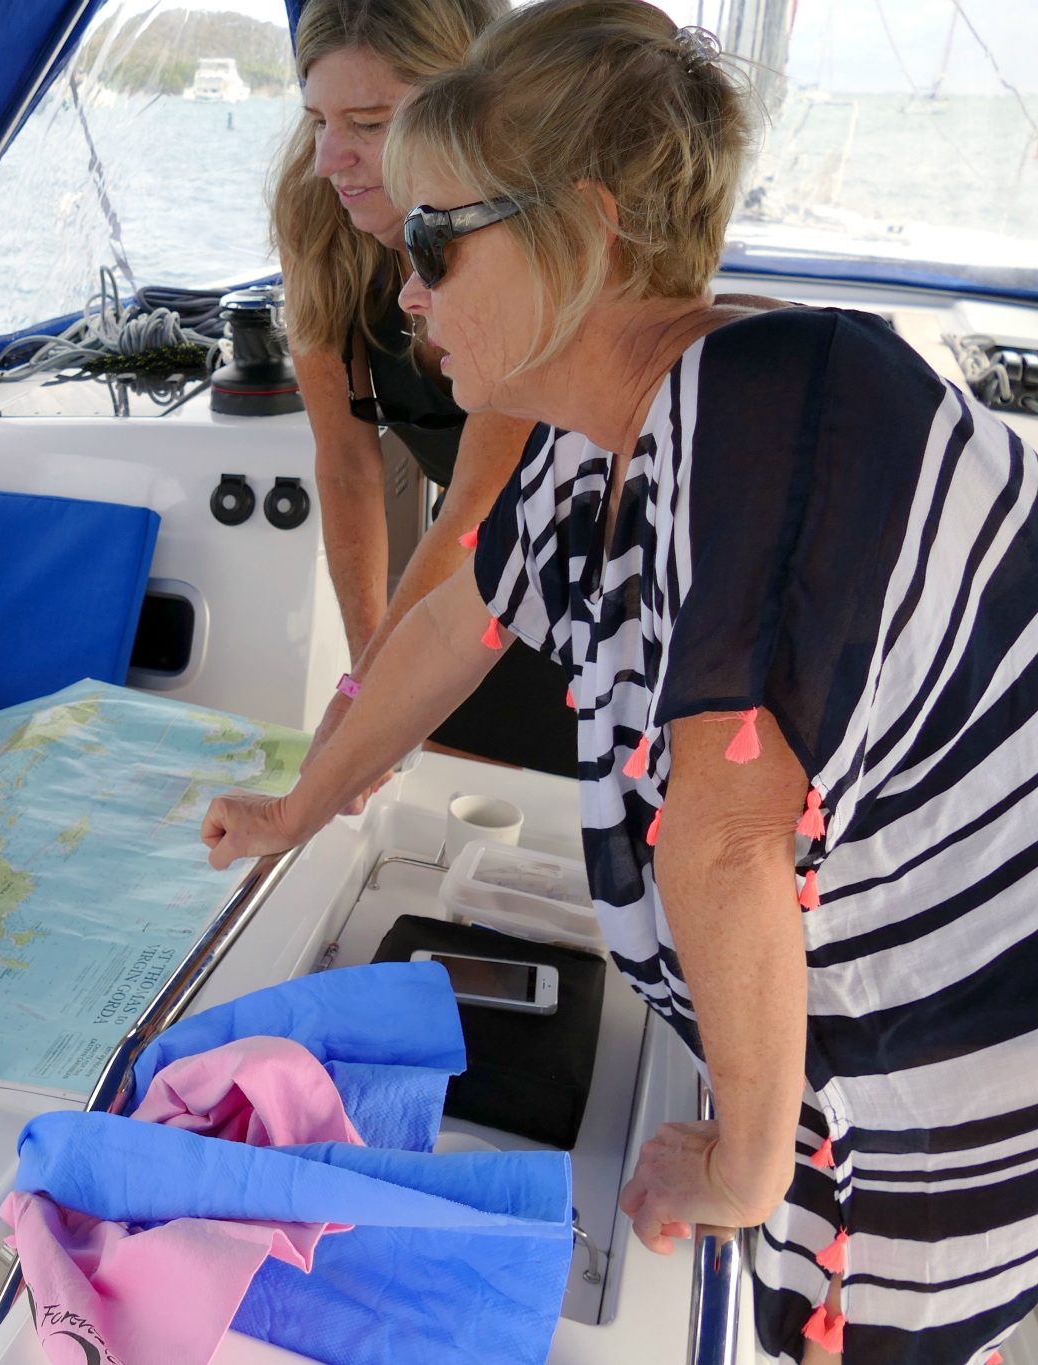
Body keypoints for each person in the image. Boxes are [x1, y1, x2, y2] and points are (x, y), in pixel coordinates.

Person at [204, 3, 1038, 1361]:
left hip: (933, 1075)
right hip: (805, 1049)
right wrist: (306, 805)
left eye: (435, 238)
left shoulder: (784, 394)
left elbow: (730, 826)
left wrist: (743, 1169)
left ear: (582, 229)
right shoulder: (592, 443)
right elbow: (453, 626)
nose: (406, 290)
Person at [271, 0, 567, 780]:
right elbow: (345, 462)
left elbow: (477, 497)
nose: (328, 158)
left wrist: (373, 694)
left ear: (466, 113)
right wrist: (362, 674)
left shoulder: (525, 236)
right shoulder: (317, 217)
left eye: (368, 123)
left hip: (587, 566)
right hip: (461, 574)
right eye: (318, 120)